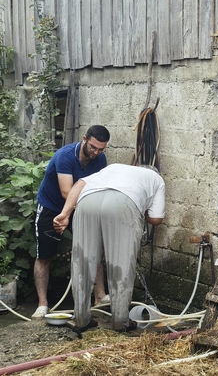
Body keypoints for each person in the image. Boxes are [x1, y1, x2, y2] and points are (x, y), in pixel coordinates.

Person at [52, 163, 165, 332]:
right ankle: (121, 322)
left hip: (86, 202)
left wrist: (65, 214)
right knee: (121, 263)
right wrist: (143, 207)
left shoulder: (113, 168)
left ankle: (81, 320)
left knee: (83, 261)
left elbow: (79, 185)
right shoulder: (156, 179)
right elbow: (156, 219)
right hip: (123, 203)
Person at [31, 125, 110, 319]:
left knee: (94, 249)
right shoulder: (65, 156)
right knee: (44, 255)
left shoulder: (100, 160)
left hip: (80, 207)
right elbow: (67, 193)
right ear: (84, 139)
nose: (96, 152)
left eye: (101, 149)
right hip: (52, 207)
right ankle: (43, 304)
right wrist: (65, 215)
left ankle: (100, 297)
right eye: (93, 147)